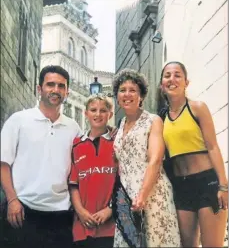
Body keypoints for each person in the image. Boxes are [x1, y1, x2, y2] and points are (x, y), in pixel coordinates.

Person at [0, 65, 82, 248]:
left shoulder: (74, 128)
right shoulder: (19, 120)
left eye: (61, 86)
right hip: (23, 211)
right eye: (50, 84)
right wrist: (12, 200)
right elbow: (3, 164)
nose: (56, 90)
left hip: (61, 215)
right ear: (39, 89)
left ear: (67, 91)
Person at [157, 61, 228, 247]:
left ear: (186, 83)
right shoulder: (160, 118)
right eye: (167, 75)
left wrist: (223, 186)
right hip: (181, 187)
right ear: (161, 84)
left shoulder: (197, 107)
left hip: (207, 183)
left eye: (177, 75)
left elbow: (213, 147)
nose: (172, 79)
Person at [112, 69, 181, 247]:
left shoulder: (153, 120)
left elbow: (155, 160)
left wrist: (142, 195)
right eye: (122, 90)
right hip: (127, 201)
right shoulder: (119, 127)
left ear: (141, 95)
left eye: (133, 90)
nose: (127, 94)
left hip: (152, 195)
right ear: (117, 96)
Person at [69, 94, 116, 248]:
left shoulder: (118, 142)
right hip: (83, 227)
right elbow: (73, 185)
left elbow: (124, 183)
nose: (98, 114)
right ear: (86, 113)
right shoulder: (76, 145)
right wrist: (81, 212)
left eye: (103, 110)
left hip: (112, 227)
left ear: (110, 114)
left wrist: (110, 210)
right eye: (93, 110)